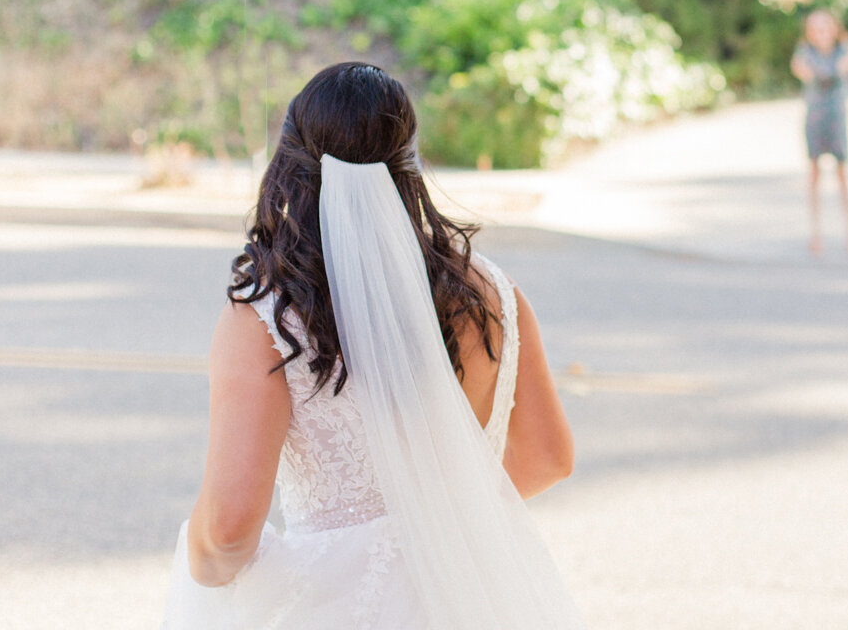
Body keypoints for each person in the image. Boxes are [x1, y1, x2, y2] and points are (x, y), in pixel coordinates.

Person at [161, 62, 584, 630]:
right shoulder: (491, 294)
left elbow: (229, 530)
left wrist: (197, 574)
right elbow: (547, 458)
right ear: (408, 162)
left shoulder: (269, 317)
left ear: (289, 163)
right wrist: (439, 528)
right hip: (470, 596)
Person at [791, 9, 848, 256]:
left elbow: (841, 65)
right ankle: (815, 233)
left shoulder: (846, 49)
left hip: (837, 118)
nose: (820, 34)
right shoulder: (803, 54)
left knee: (843, 176)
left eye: (824, 28)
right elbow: (808, 71)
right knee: (814, 175)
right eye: (815, 29)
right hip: (815, 119)